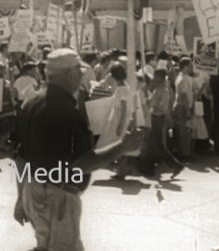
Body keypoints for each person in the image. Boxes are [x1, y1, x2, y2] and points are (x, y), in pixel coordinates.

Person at [14, 48, 142, 251]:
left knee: (45, 246)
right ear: (71, 74)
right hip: (58, 196)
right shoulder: (67, 111)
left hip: (34, 189)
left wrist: (21, 198)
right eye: (80, 72)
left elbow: (21, 158)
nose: (82, 76)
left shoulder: (31, 104)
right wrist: (121, 147)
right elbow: (83, 162)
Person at [141, 68, 184, 178]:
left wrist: (146, 96)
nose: (154, 78)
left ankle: (173, 165)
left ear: (160, 77)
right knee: (156, 144)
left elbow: (150, 104)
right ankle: (173, 165)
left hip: (157, 117)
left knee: (156, 144)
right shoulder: (165, 89)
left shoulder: (160, 90)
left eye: (156, 76)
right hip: (161, 118)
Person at [173, 57, 195, 158]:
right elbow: (183, 95)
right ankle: (184, 154)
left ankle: (185, 152)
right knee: (184, 132)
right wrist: (187, 110)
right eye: (190, 65)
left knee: (185, 131)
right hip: (182, 107)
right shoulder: (183, 78)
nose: (192, 67)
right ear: (186, 66)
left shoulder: (182, 77)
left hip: (182, 106)